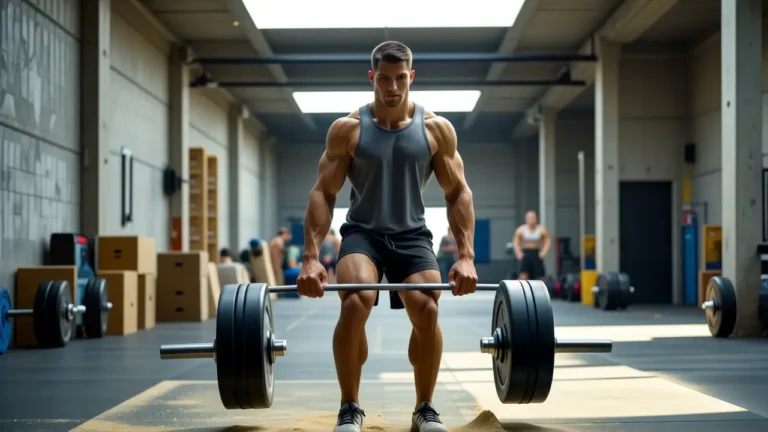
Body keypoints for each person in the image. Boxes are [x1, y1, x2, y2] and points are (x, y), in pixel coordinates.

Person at [296, 41, 478, 432]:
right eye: (383, 78)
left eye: (400, 78)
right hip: (363, 233)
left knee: (428, 308)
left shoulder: (436, 130)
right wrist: (310, 257)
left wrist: (466, 256)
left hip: (413, 235)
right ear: (372, 78)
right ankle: (350, 407)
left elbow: (458, 192)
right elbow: (322, 193)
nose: (392, 87)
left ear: (411, 77)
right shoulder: (348, 129)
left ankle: (424, 408)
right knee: (356, 302)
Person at [512, 211, 551, 280]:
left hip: (536, 253)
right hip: (525, 253)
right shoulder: (521, 230)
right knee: (523, 275)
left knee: (539, 276)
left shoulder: (541, 230)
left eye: (533, 218)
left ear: (536, 219)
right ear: (526, 219)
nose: (531, 220)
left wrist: (543, 253)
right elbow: (516, 242)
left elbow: (547, 241)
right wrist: (519, 254)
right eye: (529, 218)